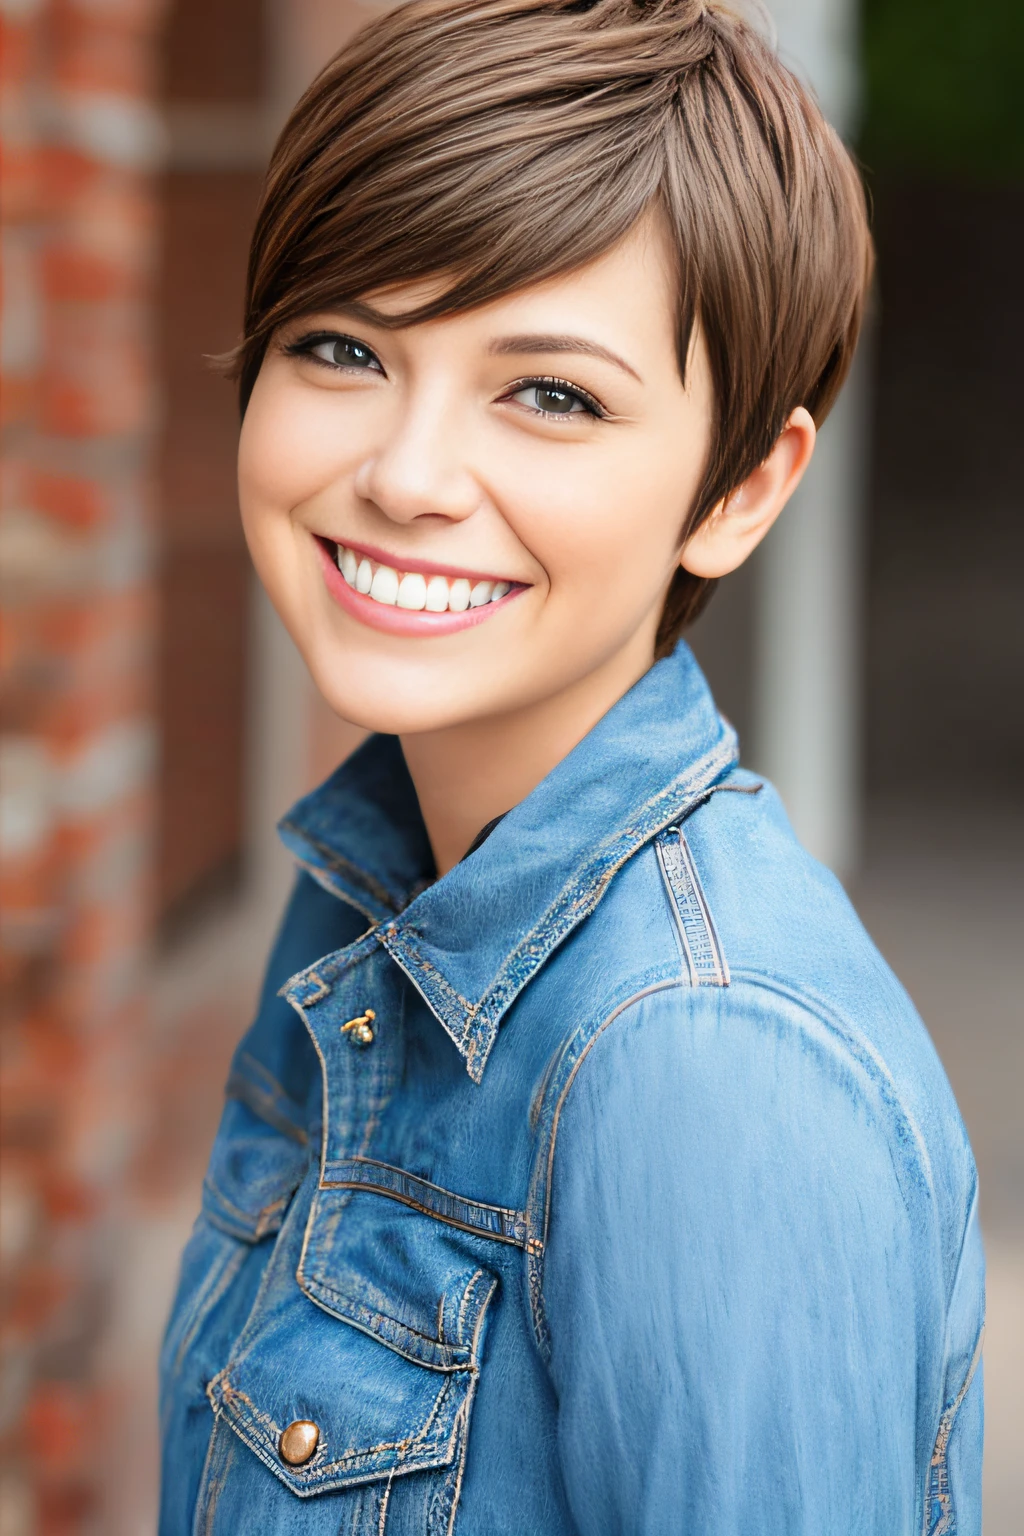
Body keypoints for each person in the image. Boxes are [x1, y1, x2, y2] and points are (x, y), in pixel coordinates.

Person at [158, 2, 984, 1531]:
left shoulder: (706, 1069)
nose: (404, 475)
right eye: (342, 347)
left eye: (551, 394)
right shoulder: (381, 884)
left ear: (741, 488)